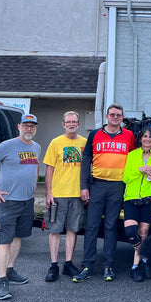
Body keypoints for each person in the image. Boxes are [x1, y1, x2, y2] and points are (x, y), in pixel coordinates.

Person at [0, 113, 41, 300]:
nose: (28, 128)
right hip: (8, 201)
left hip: (27, 201)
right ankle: (2, 280)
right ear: (18, 126)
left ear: (35, 128)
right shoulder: (8, 145)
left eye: (32, 126)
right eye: (25, 125)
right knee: (5, 241)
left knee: (18, 237)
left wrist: (33, 188)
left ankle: (11, 269)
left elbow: (35, 168)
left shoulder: (36, 147)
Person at [72, 103, 135, 283]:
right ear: (107, 116)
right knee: (91, 226)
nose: (115, 117)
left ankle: (108, 265)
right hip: (97, 185)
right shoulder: (95, 134)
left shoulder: (129, 136)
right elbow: (86, 160)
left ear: (122, 118)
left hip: (117, 187)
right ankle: (87, 266)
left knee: (110, 226)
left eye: (118, 115)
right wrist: (84, 186)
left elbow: (136, 157)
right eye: (112, 114)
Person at [42, 111, 87, 282]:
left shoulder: (84, 143)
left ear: (78, 124)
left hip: (76, 194)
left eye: (74, 121)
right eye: (68, 122)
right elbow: (49, 169)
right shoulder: (56, 143)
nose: (71, 124)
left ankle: (68, 263)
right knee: (54, 230)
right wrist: (48, 192)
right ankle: (54, 265)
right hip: (58, 194)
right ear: (63, 124)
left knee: (72, 230)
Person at [122, 126, 151, 282]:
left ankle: (135, 266)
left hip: (149, 198)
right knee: (130, 232)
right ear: (140, 138)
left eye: (150, 137)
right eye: (144, 136)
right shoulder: (132, 155)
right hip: (131, 198)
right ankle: (146, 258)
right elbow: (125, 178)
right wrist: (140, 170)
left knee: (143, 232)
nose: (147, 139)